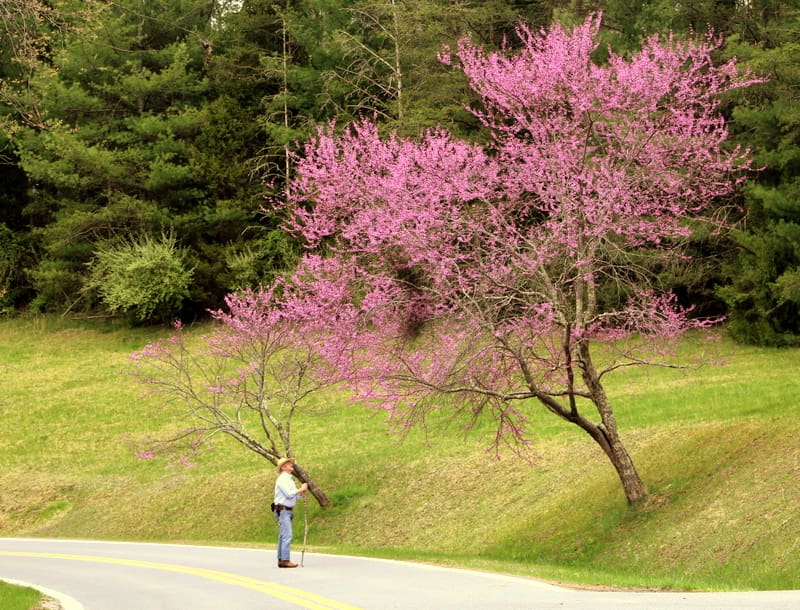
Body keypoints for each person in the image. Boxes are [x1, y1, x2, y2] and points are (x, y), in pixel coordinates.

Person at [272, 457, 308, 568]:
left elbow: (293, 495)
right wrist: (301, 489)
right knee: (287, 535)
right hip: (282, 510)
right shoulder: (282, 479)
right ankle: (285, 559)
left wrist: (300, 494)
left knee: (283, 535)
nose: (291, 464)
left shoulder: (288, 479)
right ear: (283, 467)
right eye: (288, 464)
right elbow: (289, 494)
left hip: (286, 510)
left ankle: (281, 559)